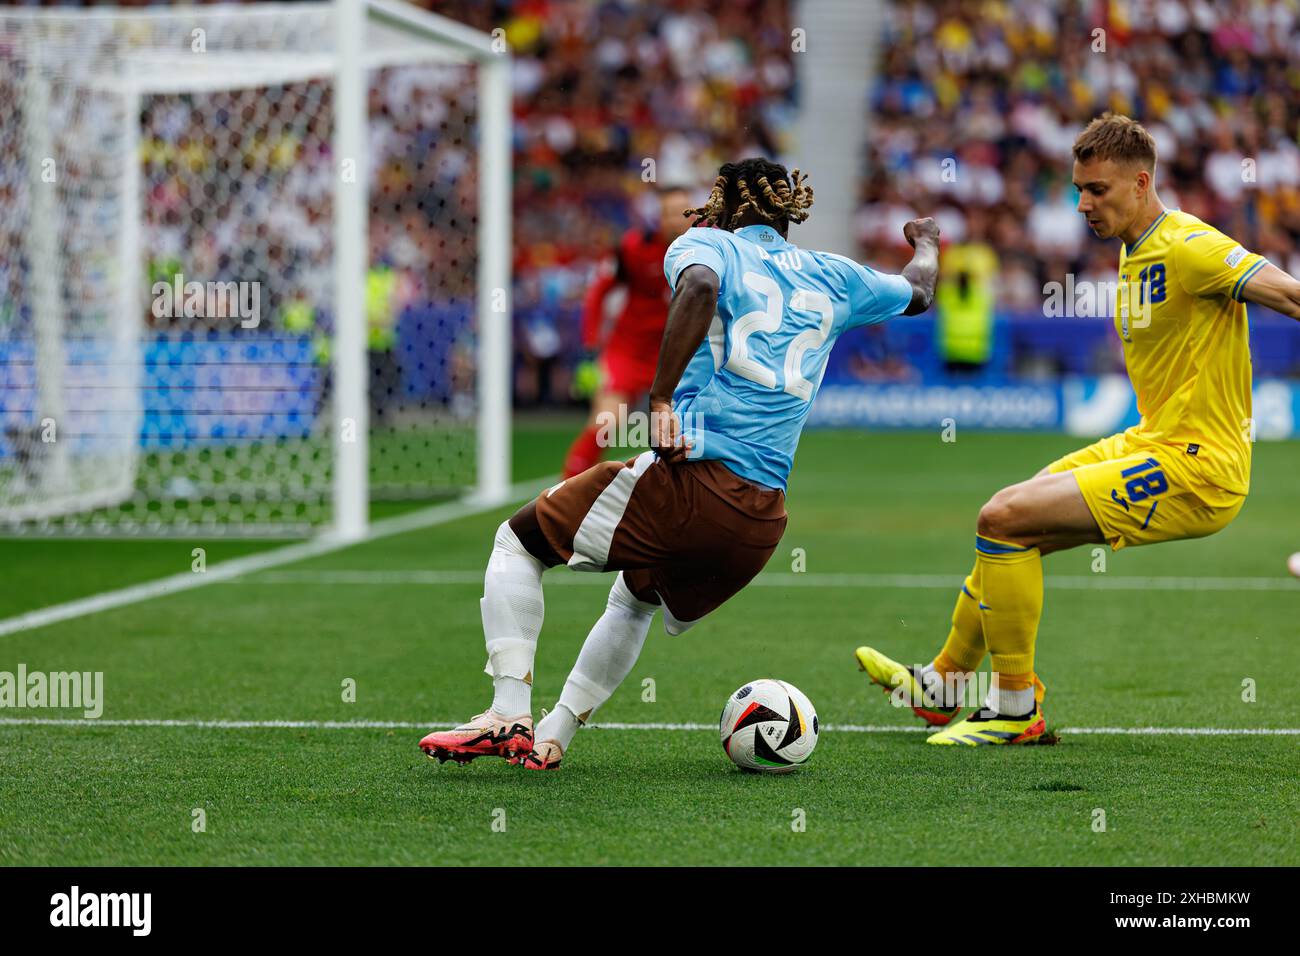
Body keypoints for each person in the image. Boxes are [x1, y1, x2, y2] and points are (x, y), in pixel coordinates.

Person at [418, 158, 940, 768]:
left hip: (692, 481)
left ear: (728, 201)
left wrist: (660, 396)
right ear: (788, 209)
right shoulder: (836, 275)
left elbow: (698, 287)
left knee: (517, 543)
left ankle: (508, 715)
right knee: (633, 599)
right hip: (759, 522)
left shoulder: (706, 245)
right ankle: (552, 736)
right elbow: (921, 290)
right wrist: (926, 241)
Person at [856, 113, 1300, 745]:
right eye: (1078, 189)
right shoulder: (1133, 249)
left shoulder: (1192, 246)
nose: (1083, 203)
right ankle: (944, 684)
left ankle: (1013, 710)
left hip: (1201, 467)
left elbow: (1289, 295)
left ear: (1142, 182)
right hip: (1156, 439)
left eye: (1098, 190)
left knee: (1003, 517)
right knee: (1016, 515)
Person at [561, 184, 693, 478]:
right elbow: (597, 293)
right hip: (629, 351)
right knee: (605, 424)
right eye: (669, 213)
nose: (676, 220)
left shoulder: (708, 249)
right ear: (658, 217)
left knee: (687, 434)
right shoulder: (633, 248)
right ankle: (561, 498)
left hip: (676, 357)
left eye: (683, 213)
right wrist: (590, 344)